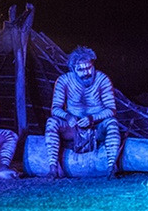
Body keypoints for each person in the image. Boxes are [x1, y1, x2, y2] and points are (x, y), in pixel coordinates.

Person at [44, 46, 121, 178]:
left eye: (88, 68)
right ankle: (52, 167)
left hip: (97, 127)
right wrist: (68, 117)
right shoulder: (63, 81)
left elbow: (111, 109)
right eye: (81, 69)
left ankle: (111, 166)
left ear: (92, 64)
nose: (86, 73)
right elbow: (55, 109)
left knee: (112, 123)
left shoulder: (102, 79)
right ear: (73, 69)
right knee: (52, 122)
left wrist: (92, 118)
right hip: (73, 128)